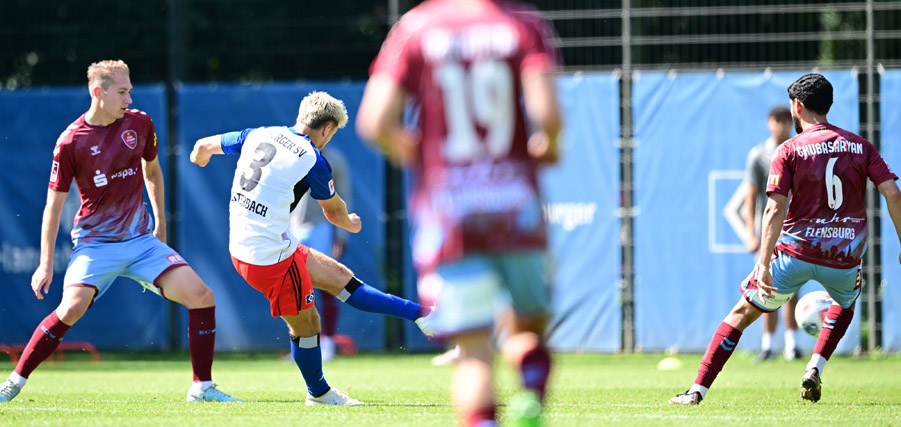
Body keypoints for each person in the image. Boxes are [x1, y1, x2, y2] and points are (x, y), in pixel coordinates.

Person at [356, 0, 562, 424]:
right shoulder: (523, 25)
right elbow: (549, 117)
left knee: (472, 351)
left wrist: (423, 159)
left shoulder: (416, 28)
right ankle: (529, 369)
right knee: (527, 327)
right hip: (515, 208)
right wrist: (550, 148)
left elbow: (374, 122)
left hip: (449, 215)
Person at [0, 60, 240, 404]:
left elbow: (153, 172)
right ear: (99, 92)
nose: (130, 98)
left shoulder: (139, 123)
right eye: (123, 91)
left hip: (142, 242)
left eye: (130, 90)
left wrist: (160, 223)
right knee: (71, 309)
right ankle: (14, 383)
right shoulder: (70, 142)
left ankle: (202, 388)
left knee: (203, 296)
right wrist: (46, 263)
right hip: (95, 246)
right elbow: (52, 207)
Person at [189, 91, 435, 406]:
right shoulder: (312, 159)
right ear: (328, 128)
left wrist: (200, 156)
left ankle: (422, 315)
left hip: (256, 244)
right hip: (268, 258)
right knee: (308, 324)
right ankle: (318, 393)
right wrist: (351, 224)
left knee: (341, 277)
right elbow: (334, 213)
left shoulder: (260, 134)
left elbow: (203, 146)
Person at [670, 73, 901, 405]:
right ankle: (815, 366)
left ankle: (697, 390)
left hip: (795, 254)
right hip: (843, 258)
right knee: (846, 304)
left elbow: (773, 210)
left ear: (798, 106)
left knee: (740, 314)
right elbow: (893, 194)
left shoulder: (788, 150)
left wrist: (763, 264)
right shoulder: (861, 146)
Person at [743, 106, 803, 362]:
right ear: (769, 123)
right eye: (776, 120)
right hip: (769, 230)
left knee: (792, 289)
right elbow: (750, 196)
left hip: (794, 231)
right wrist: (750, 232)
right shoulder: (758, 155)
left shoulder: (800, 150)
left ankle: (792, 345)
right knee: (765, 287)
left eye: (785, 121)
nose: (781, 125)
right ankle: (768, 346)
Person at [289, 146, 352, 362]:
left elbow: (344, 197)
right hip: (294, 226)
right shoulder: (292, 152)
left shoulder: (335, 158)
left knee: (326, 284)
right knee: (294, 286)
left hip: (322, 227)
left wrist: (341, 236)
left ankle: (327, 342)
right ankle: (301, 342)